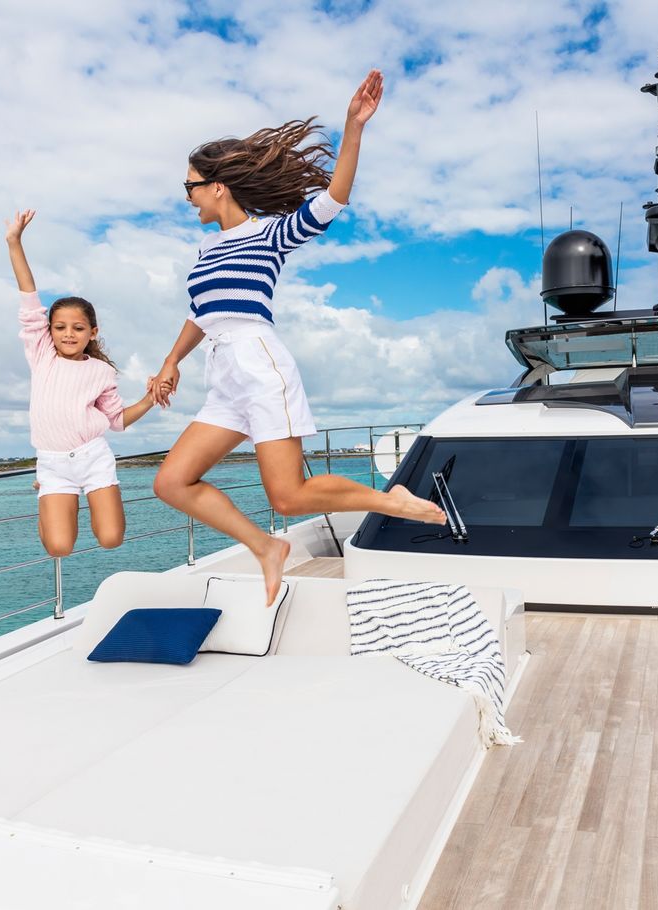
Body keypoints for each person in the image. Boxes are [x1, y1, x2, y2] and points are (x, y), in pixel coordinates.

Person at [149, 69, 445, 606]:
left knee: (287, 497)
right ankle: (266, 547)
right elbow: (201, 313)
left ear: (217, 187)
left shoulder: (268, 234)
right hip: (223, 375)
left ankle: (391, 500)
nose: (187, 197)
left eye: (190, 186)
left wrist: (354, 127)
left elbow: (332, 200)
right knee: (171, 481)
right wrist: (172, 362)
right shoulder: (205, 251)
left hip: (258, 363)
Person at [6, 210, 156, 558]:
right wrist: (14, 242)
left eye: (78, 328)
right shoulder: (42, 355)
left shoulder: (102, 372)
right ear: (49, 331)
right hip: (53, 464)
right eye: (60, 328)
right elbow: (29, 298)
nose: (68, 334)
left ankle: (76, 504)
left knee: (111, 539)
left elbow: (116, 420)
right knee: (59, 547)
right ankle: (47, 505)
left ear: (93, 332)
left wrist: (150, 398)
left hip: (93, 457)